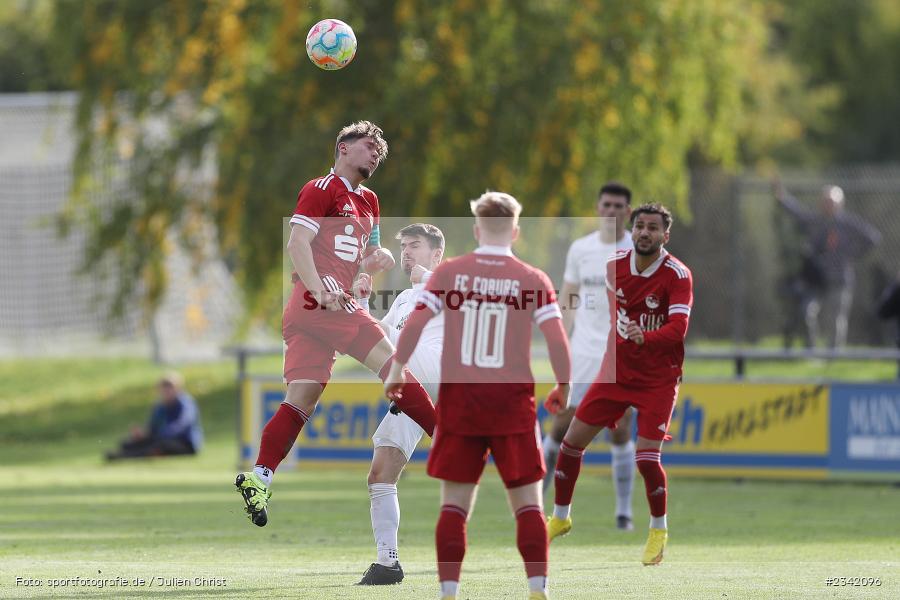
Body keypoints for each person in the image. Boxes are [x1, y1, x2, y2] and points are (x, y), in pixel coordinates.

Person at [234, 121, 437, 527]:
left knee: (301, 400)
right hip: (320, 304)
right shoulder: (320, 188)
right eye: (367, 145)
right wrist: (321, 291)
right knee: (394, 364)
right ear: (343, 148)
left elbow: (365, 256)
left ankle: (259, 477)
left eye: (380, 149)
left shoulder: (370, 202)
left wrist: (369, 270)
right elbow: (297, 244)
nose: (376, 152)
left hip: (321, 309)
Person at [384, 191, 572, 600]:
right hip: (512, 403)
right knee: (527, 504)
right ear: (516, 231)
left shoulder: (451, 273)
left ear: (476, 230)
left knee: (454, 505)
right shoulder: (532, 278)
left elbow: (415, 325)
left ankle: (448, 593)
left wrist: (398, 370)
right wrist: (564, 385)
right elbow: (557, 340)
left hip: (461, 402)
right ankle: (537, 589)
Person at [548, 203, 693, 566]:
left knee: (646, 458)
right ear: (633, 231)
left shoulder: (678, 275)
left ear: (665, 236)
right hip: (617, 375)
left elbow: (678, 330)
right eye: (640, 226)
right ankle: (561, 517)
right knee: (570, 444)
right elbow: (618, 317)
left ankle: (658, 529)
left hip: (658, 380)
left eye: (653, 228)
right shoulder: (614, 267)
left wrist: (645, 337)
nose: (646, 232)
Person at [542, 182, 637, 531]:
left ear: (627, 212)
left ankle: (624, 513)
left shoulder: (635, 249)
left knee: (621, 428)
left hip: (619, 353)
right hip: (582, 351)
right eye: (606, 204)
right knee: (562, 423)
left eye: (618, 206)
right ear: (597, 207)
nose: (611, 211)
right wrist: (562, 342)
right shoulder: (581, 249)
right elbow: (568, 296)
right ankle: (537, 502)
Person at [356, 223, 446, 585]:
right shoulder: (404, 299)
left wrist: (430, 277)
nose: (406, 253)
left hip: (447, 377)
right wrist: (361, 303)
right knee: (380, 471)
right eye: (404, 246)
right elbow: (380, 339)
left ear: (436, 253)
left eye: (415, 246)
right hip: (415, 385)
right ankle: (387, 562)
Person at [774, 181, 881, 348]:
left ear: (840, 204)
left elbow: (873, 238)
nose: (828, 205)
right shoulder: (816, 221)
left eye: (831, 202)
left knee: (835, 318)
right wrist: (783, 199)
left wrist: (851, 254)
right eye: (825, 201)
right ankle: (810, 350)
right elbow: (798, 214)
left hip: (840, 278)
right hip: (817, 279)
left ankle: (833, 354)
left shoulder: (848, 223)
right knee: (806, 311)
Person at [105, 373, 202, 460]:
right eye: (164, 388)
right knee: (127, 443)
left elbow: (182, 424)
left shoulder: (185, 403)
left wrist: (161, 434)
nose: (166, 391)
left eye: (170, 387)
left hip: (185, 443)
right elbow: (153, 427)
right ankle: (123, 454)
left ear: (178, 388)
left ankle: (124, 456)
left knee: (159, 445)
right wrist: (143, 434)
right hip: (162, 438)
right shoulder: (160, 406)